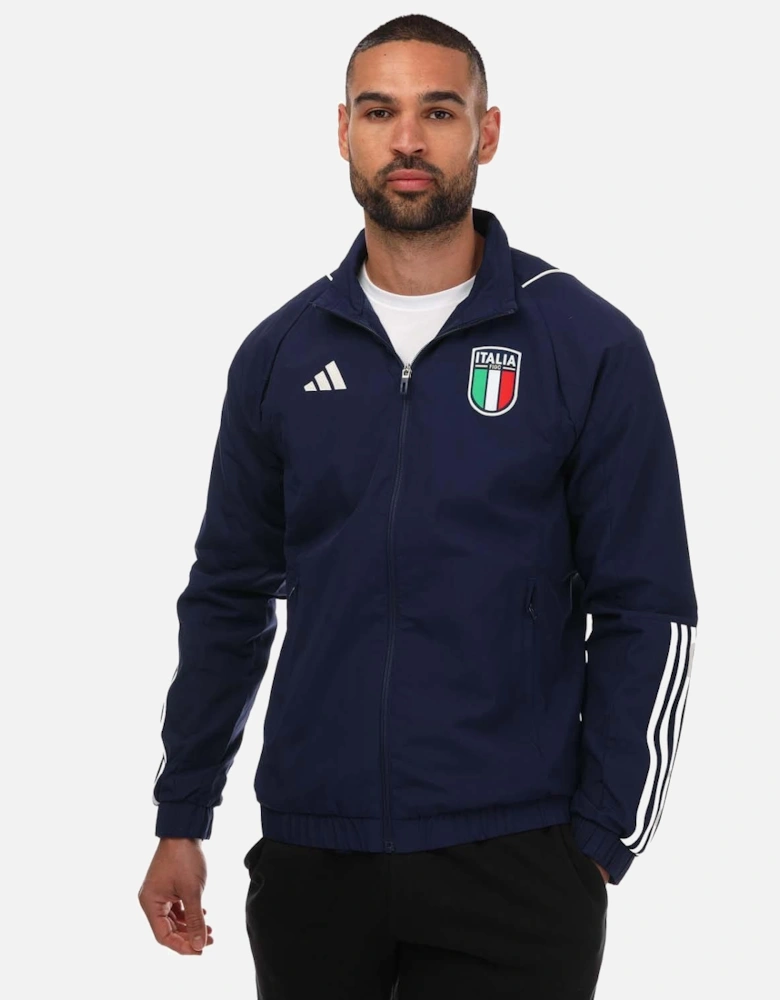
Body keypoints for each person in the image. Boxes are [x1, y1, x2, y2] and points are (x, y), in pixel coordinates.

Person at [138, 13, 698, 999]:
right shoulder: (279, 355)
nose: (406, 140)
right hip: (316, 852)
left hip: (517, 857)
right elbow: (227, 592)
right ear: (342, 132)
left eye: (438, 112)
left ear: (487, 132)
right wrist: (182, 815)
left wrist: (603, 837)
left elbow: (647, 604)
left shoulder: (585, 345)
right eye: (378, 112)